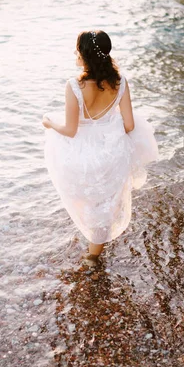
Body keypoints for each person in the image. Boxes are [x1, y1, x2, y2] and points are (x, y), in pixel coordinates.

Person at [42, 30, 159, 266]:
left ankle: (91, 250)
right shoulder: (120, 82)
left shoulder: (74, 86)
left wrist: (50, 124)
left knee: (85, 197)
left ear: (84, 55)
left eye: (77, 49)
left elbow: (71, 130)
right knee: (104, 204)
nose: (75, 53)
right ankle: (93, 254)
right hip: (110, 153)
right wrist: (108, 132)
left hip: (80, 156)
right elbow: (129, 125)